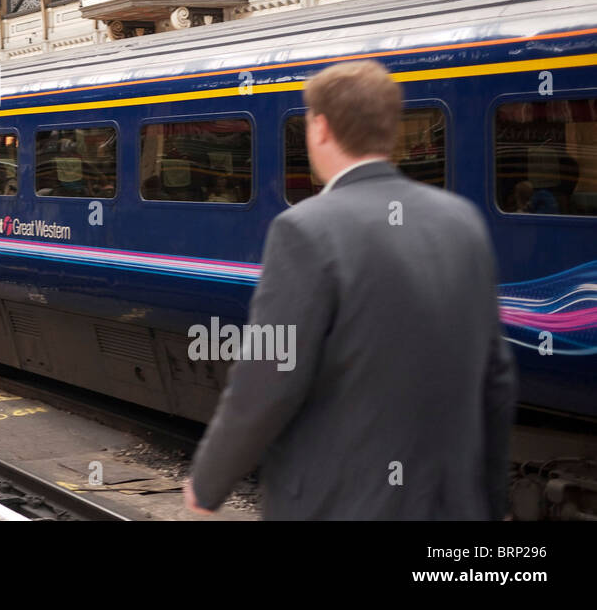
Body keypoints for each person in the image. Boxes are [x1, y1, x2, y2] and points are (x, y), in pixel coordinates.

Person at [184, 60, 516, 520]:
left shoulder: (305, 229)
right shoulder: (462, 221)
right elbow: (497, 383)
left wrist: (207, 484)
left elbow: (266, 380)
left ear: (319, 128)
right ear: (391, 129)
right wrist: (489, 501)